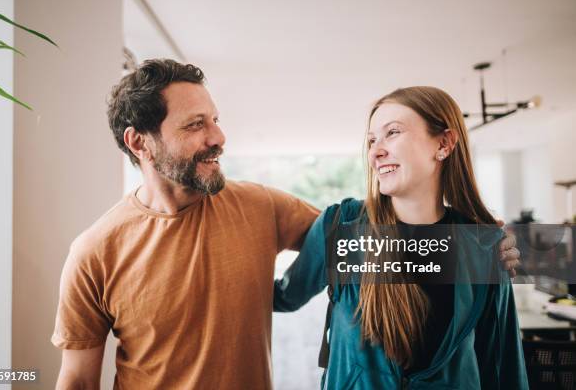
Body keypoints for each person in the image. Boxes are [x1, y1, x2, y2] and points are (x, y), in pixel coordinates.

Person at [52, 60, 521, 389]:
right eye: (196, 124)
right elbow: (75, 380)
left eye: (215, 119)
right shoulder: (95, 251)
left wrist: (476, 244)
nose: (218, 137)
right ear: (140, 143)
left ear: (445, 144)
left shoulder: (261, 206)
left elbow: (362, 246)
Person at [274, 86, 528, 389]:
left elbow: (502, 363)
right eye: (371, 140)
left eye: (392, 133)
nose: (375, 151)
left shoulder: (483, 245)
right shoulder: (341, 225)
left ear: (444, 144)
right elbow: (283, 296)